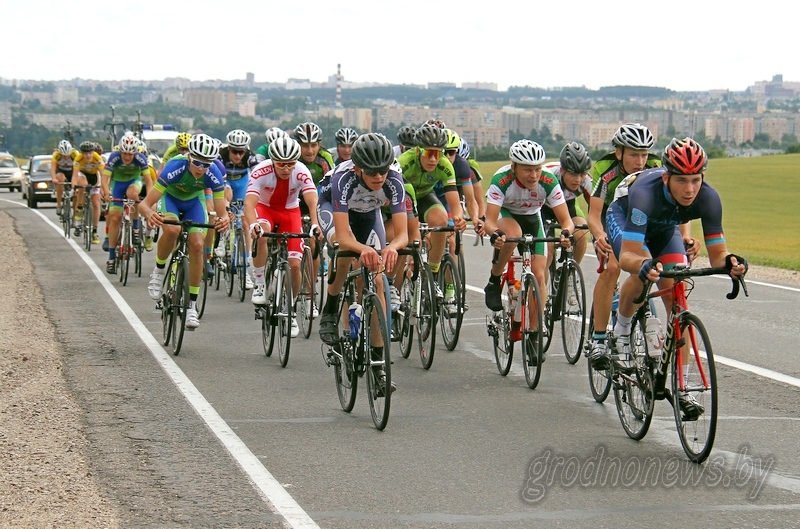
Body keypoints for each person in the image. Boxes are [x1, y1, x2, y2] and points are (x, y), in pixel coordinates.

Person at [603, 137, 747, 415]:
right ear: (666, 177)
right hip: (625, 218)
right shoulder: (646, 193)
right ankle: (620, 330)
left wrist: (731, 263)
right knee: (644, 270)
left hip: (665, 228)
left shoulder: (709, 197)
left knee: (678, 293)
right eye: (681, 180)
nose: (690, 189)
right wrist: (644, 265)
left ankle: (683, 386)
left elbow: (718, 255)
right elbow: (628, 257)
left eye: (695, 180)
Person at [316, 133, 407, 389]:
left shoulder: (394, 180)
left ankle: (378, 366)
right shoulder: (342, 179)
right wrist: (362, 249)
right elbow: (344, 236)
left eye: (382, 170)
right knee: (343, 252)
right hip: (332, 209)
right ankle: (331, 308)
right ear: (357, 169)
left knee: (378, 280)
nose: (379, 176)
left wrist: (392, 248)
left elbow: (402, 234)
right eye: (371, 171)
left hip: (368, 213)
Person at [482, 140, 574, 362]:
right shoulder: (501, 180)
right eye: (527, 170)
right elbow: (489, 222)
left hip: (534, 218)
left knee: (539, 275)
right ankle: (494, 280)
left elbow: (567, 221)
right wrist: (495, 234)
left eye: (537, 169)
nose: (533, 175)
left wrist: (566, 234)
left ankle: (533, 335)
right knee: (511, 234)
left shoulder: (548, 181)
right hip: (508, 215)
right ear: (514, 167)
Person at [586, 123, 662, 366]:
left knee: (649, 266)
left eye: (644, 154)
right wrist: (599, 236)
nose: (640, 161)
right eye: (633, 154)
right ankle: (598, 340)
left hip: (641, 220)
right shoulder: (605, 169)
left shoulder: (654, 168)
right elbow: (594, 213)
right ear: (619, 153)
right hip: (611, 219)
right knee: (612, 269)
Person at [139, 134, 229, 329]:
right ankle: (159, 270)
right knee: (172, 229)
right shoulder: (175, 166)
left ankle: (191, 307)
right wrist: (149, 214)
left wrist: (225, 220)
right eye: (197, 162)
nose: (201, 168)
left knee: (197, 244)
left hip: (194, 202)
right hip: (170, 198)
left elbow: (221, 212)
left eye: (206, 165)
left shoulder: (213, 172)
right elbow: (145, 204)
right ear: (189, 156)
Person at [246, 136, 320, 338]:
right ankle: (260, 283)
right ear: (273, 161)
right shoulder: (261, 170)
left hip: (290, 213)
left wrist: (314, 223)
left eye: (290, 164)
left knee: (295, 265)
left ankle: (291, 308)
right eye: (281, 164)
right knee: (261, 235)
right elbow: (250, 203)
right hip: (265, 209)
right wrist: (253, 224)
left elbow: (312, 200)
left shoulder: (301, 170)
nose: (286, 169)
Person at [397, 123, 466, 281]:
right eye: (429, 153)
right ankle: (395, 287)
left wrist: (458, 217)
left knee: (441, 221)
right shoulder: (404, 162)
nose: (434, 159)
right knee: (406, 241)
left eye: (438, 153)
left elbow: (454, 200)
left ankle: (433, 274)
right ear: (418, 150)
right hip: (404, 200)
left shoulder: (444, 165)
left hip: (425, 197)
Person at [101, 135, 153, 273]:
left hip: (133, 182)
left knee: (133, 195)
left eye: (130, 154)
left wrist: (149, 201)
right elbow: (105, 178)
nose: (127, 157)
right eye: (124, 153)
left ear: (135, 153)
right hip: (117, 184)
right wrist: (107, 194)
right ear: (120, 151)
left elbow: (148, 181)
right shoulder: (114, 157)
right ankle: (111, 257)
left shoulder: (140, 158)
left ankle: (136, 227)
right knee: (115, 217)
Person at [216, 129, 259, 288]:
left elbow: (257, 177)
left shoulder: (251, 157)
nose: (238, 155)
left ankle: (245, 270)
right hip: (225, 182)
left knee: (245, 224)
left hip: (242, 183)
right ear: (229, 148)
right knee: (226, 195)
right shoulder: (220, 155)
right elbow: (217, 179)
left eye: (241, 152)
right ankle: (221, 239)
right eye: (235, 151)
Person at [541, 142, 593, 266]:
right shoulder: (547, 175)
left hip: (569, 206)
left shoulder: (587, 182)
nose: (578, 180)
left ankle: (571, 272)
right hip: (543, 208)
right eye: (573, 174)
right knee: (547, 250)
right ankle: (542, 283)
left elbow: (597, 211)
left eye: (582, 174)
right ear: (562, 170)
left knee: (581, 236)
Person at [72, 140, 106, 243]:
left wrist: (104, 190)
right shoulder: (78, 159)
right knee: (82, 184)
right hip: (83, 175)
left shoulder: (97, 158)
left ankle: (94, 231)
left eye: (90, 153)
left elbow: (103, 175)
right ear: (82, 153)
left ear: (93, 152)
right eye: (86, 153)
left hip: (94, 177)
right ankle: (80, 207)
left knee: (96, 204)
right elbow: (74, 176)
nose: (88, 155)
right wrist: (74, 187)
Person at [51, 140, 78, 216]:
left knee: (76, 189)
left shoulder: (75, 154)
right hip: (61, 170)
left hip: (72, 171)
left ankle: (75, 211)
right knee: (60, 179)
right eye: (64, 156)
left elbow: (79, 169)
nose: (66, 157)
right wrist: (54, 179)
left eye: (67, 155)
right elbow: (53, 169)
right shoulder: (56, 155)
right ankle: (59, 204)